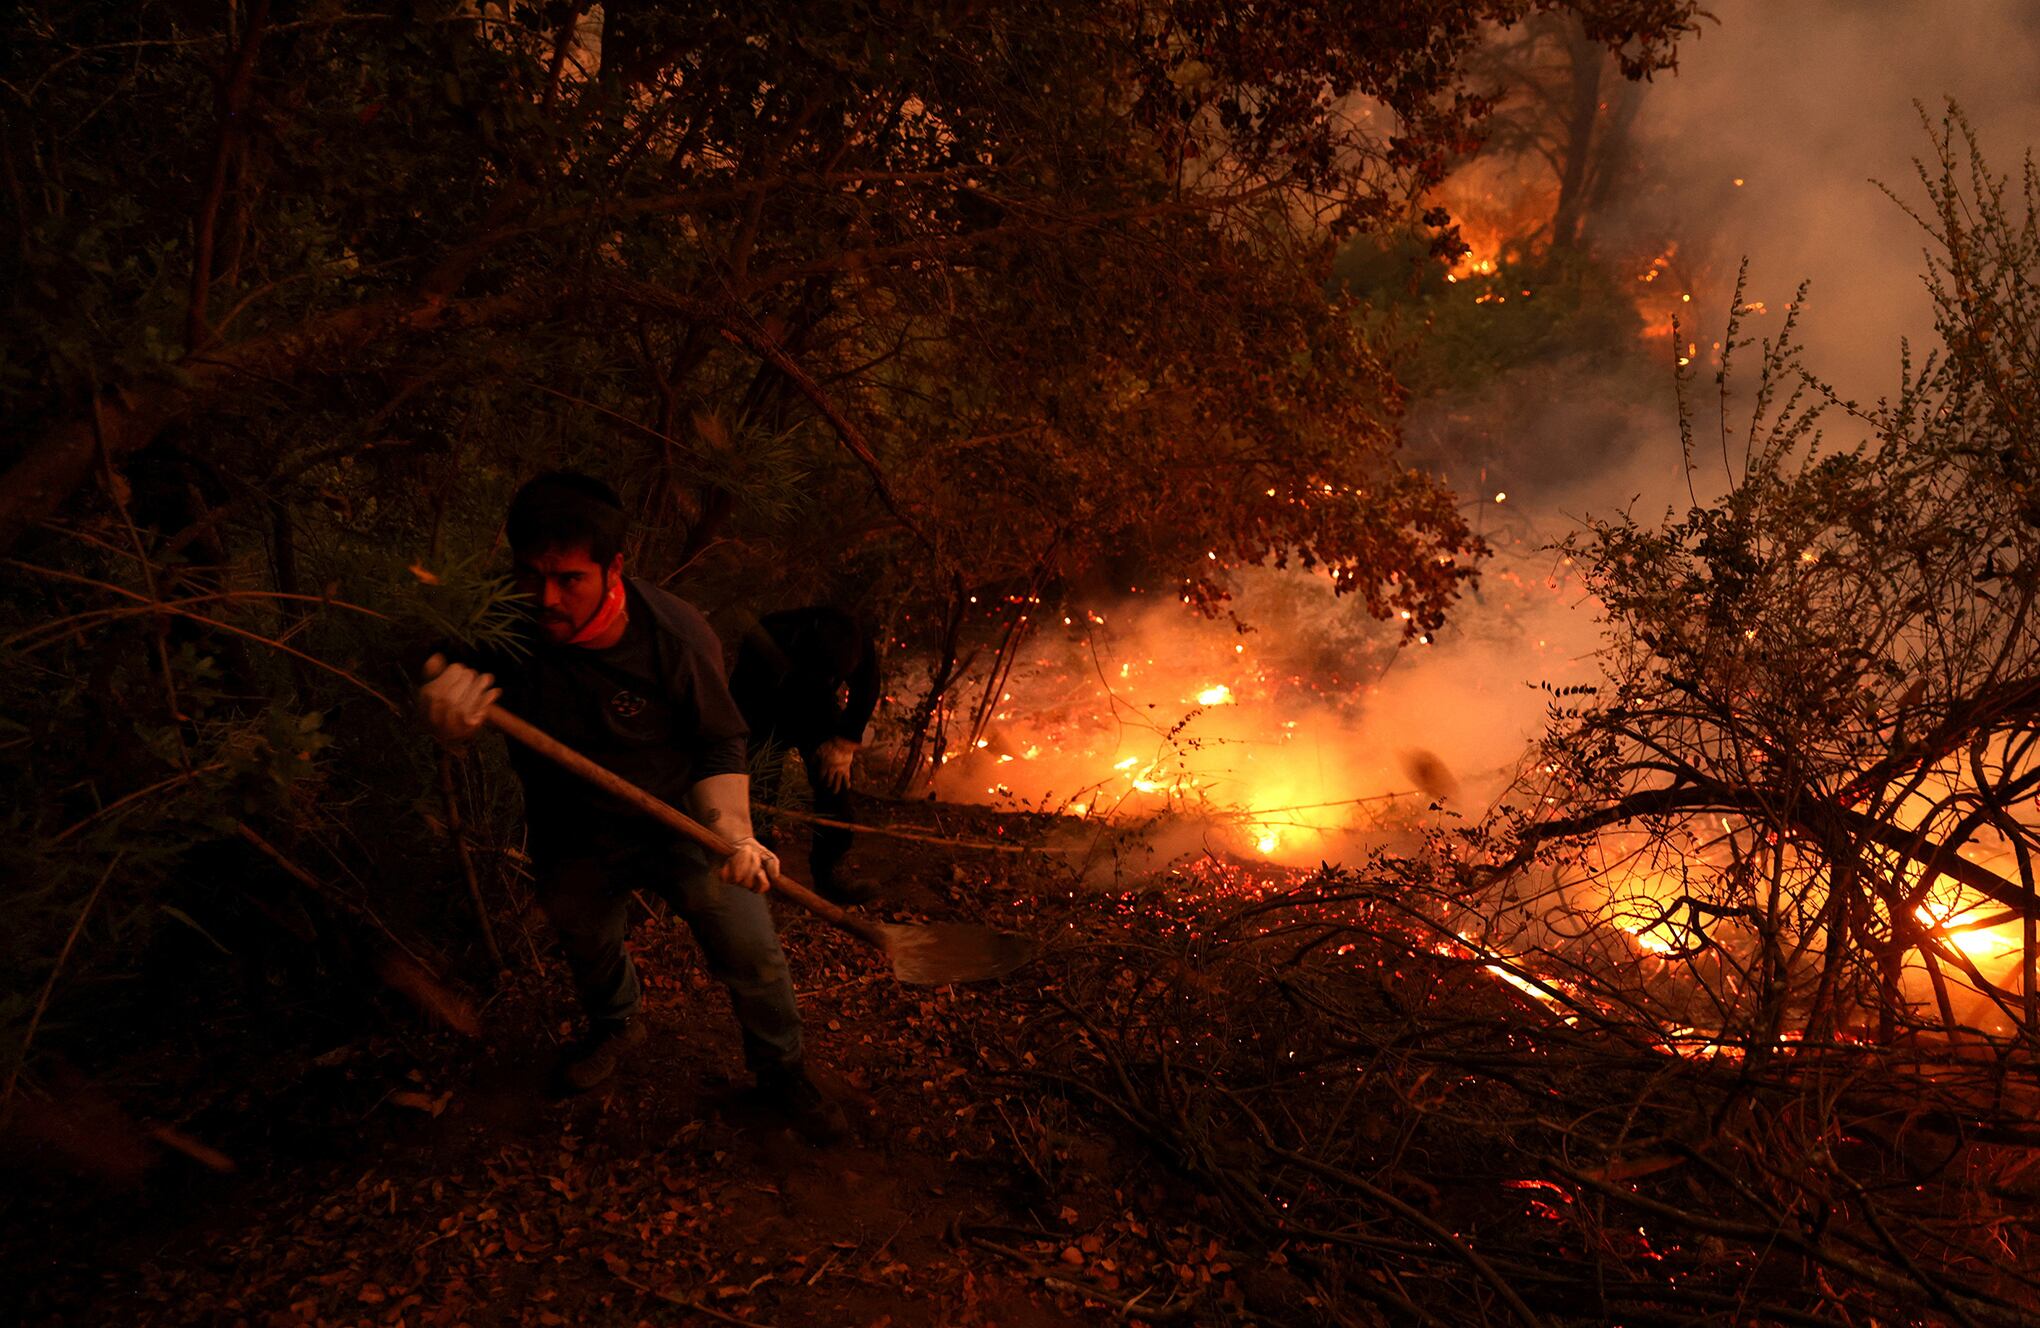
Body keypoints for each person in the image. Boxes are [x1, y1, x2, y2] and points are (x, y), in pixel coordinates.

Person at [417, 472, 845, 1141]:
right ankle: (617, 1024)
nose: (546, 599)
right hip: (570, 830)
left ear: (614, 567)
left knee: (750, 945)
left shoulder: (673, 634)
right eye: (531, 576)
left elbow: (720, 739)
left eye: (569, 580)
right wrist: (447, 709)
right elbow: (437, 673)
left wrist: (732, 831)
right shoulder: (502, 622)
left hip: (679, 823)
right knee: (585, 939)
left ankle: (781, 1068)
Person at [729, 607, 880, 904]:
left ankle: (830, 873)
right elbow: (741, 695)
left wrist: (845, 742)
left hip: (817, 708)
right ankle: (758, 872)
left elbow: (867, 686)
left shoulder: (857, 634)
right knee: (759, 792)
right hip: (763, 708)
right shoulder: (773, 634)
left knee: (834, 784)